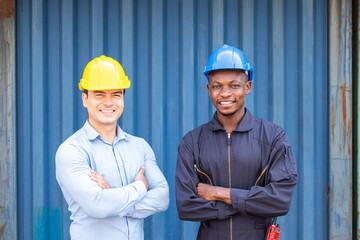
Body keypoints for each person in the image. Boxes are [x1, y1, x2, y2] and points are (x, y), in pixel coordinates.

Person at [175, 44, 298, 240]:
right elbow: (186, 206)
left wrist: (218, 192)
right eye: (217, 86)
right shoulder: (192, 142)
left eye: (234, 85)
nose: (225, 93)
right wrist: (246, 204)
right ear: (209, 90)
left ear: (247, 87)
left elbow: (280, 201)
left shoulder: (273, 137)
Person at [56, 55, 169, 240]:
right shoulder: (71, 150)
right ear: (85, 99)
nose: (109, 102)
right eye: (99, 94)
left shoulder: (140, 147)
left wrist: (112, 198)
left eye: (116, 94)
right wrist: (139, 187)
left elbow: (162, 198)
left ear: (123, 99)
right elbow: (97, 205)